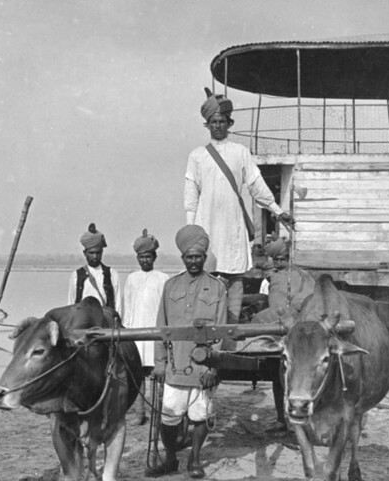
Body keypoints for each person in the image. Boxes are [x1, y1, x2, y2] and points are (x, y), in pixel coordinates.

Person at [184, 89, 295, 323]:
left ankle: (232, 331)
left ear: (229, 123)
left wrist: (277, 211)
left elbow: (256, 185)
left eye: (221, 122)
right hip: (206, 226)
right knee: (208, 276)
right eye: (213, 122)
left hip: (233, 226)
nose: (217, 126)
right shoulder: (197, 156)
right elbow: (191, 197)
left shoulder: (240, 152)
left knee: (234, 278)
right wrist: (191, 233)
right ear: (207, 125)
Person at [148, 225, 228, 479]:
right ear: (182, 258)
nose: (194, 261)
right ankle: (171, 459)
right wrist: (159, 363)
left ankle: (194, 459)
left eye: (198, 257)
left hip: (202, 369)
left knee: (200, 415)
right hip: (174, 366)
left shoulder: (217, 288)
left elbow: (222, 332)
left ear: (205, 258)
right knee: (169, 416)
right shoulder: (170, 286)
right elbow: (161, 328)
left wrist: (213, 367)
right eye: (189, 257)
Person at [122, 229, 170, 425]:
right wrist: (127, 332)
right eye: (141, 257)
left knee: (157, 373)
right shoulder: (132, 279)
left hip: (155, 332)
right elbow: (128, 306)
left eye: (148, 256)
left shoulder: (163, 278)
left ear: (154, 257)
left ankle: (159, 414)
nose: (145, 260)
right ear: (137, 258)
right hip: (136, 331)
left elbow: (166, 309)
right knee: (138, 373)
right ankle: (140, 413)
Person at [68, 222, 122, 318]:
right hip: (83, 321)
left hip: (106, 321)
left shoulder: (112, 274)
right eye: (91, 253)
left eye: (98, 253)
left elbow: (117, 303)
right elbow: (71, 303)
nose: (95, 256)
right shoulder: (76, 275)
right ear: (85, 253)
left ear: (102, 252)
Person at [257, 234, 316, 317]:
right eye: (276, 260)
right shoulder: (277, 275)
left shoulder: (284, 276)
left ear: (288, 259)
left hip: (296, 313)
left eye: (282, 259)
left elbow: (278, 308)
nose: (279, 262)